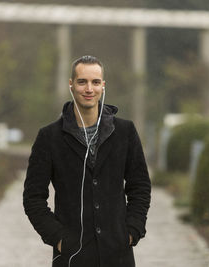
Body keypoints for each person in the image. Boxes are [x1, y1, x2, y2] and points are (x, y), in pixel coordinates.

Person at [23, 55, 151, 267]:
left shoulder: (125, 132)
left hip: (118, 255)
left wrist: (131, 230)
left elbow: (140, 186)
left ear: (103, 86)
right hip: (72, 257)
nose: (89, 89)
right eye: (82, 82)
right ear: (71, 85)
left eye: (95, 82)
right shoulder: (49, 137)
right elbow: (32, 198)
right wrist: (59, 239)